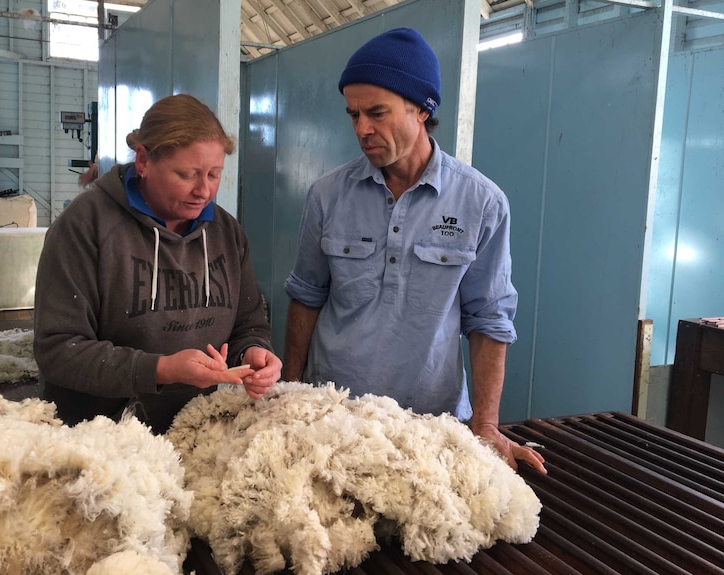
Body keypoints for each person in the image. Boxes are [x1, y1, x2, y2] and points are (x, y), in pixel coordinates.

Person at [283, 28, 545, 474]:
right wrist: (286, 397)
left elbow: (490, 319)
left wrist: (485, 424)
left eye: (377, 112)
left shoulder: (481, 203)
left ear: (423, 109)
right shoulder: (327, 195)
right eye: (353, 114)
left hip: (431, 427)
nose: (362, 128)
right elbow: (306, 297)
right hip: (333, 421)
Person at [34, 93, 281, 433]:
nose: (204, 191)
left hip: (194, 430)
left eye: (214, 174)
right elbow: (58, 349)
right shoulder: (85, 226)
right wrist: (161, 369)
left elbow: (248, 323)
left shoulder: (226, 233)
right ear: (144, 161)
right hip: (99, 439)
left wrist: (254, 353)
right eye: (187, 174)